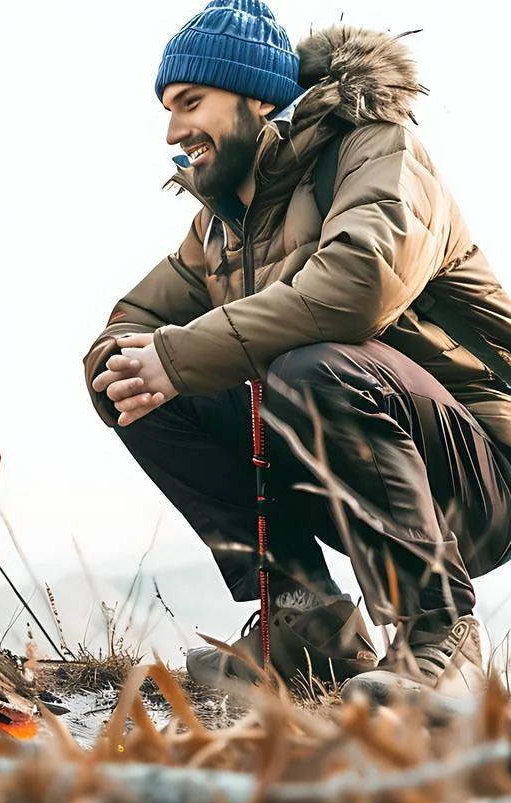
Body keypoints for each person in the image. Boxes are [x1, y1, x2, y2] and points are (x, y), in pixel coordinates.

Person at [85, 0, 511, 705]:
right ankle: (306, 619)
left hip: (481, 470)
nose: (173, 129)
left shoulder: (377, 151)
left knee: (309, 362)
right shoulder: (223, 227)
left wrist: (179, 355)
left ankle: (440, 639)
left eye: (191, 101)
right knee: (131, 380)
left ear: (257, 96)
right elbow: (132, 322)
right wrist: (130, 360)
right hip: (353, 473)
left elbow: (358, 285)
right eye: (167, 108)